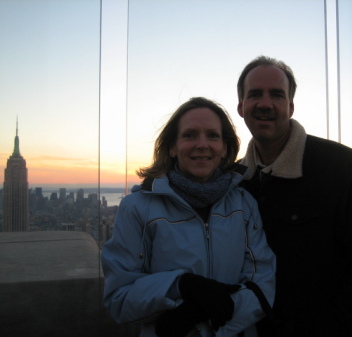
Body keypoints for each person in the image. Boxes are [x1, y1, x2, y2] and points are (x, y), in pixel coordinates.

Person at [236, 56, 352, 337]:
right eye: (255, 94)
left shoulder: (343, 167)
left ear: (290, 106)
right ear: (241, 107)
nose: (265, 104)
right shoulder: (236, 180)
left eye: (276, 94)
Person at [101, 97, 276, 337]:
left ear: (224, 148)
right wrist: (181, 285)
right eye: (190, 135)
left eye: (213, 136)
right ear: (172, 147)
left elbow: (263, 284)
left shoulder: (244, 204)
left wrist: (206, 317)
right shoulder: (137, 208)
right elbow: (119, 299)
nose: (202, 144)